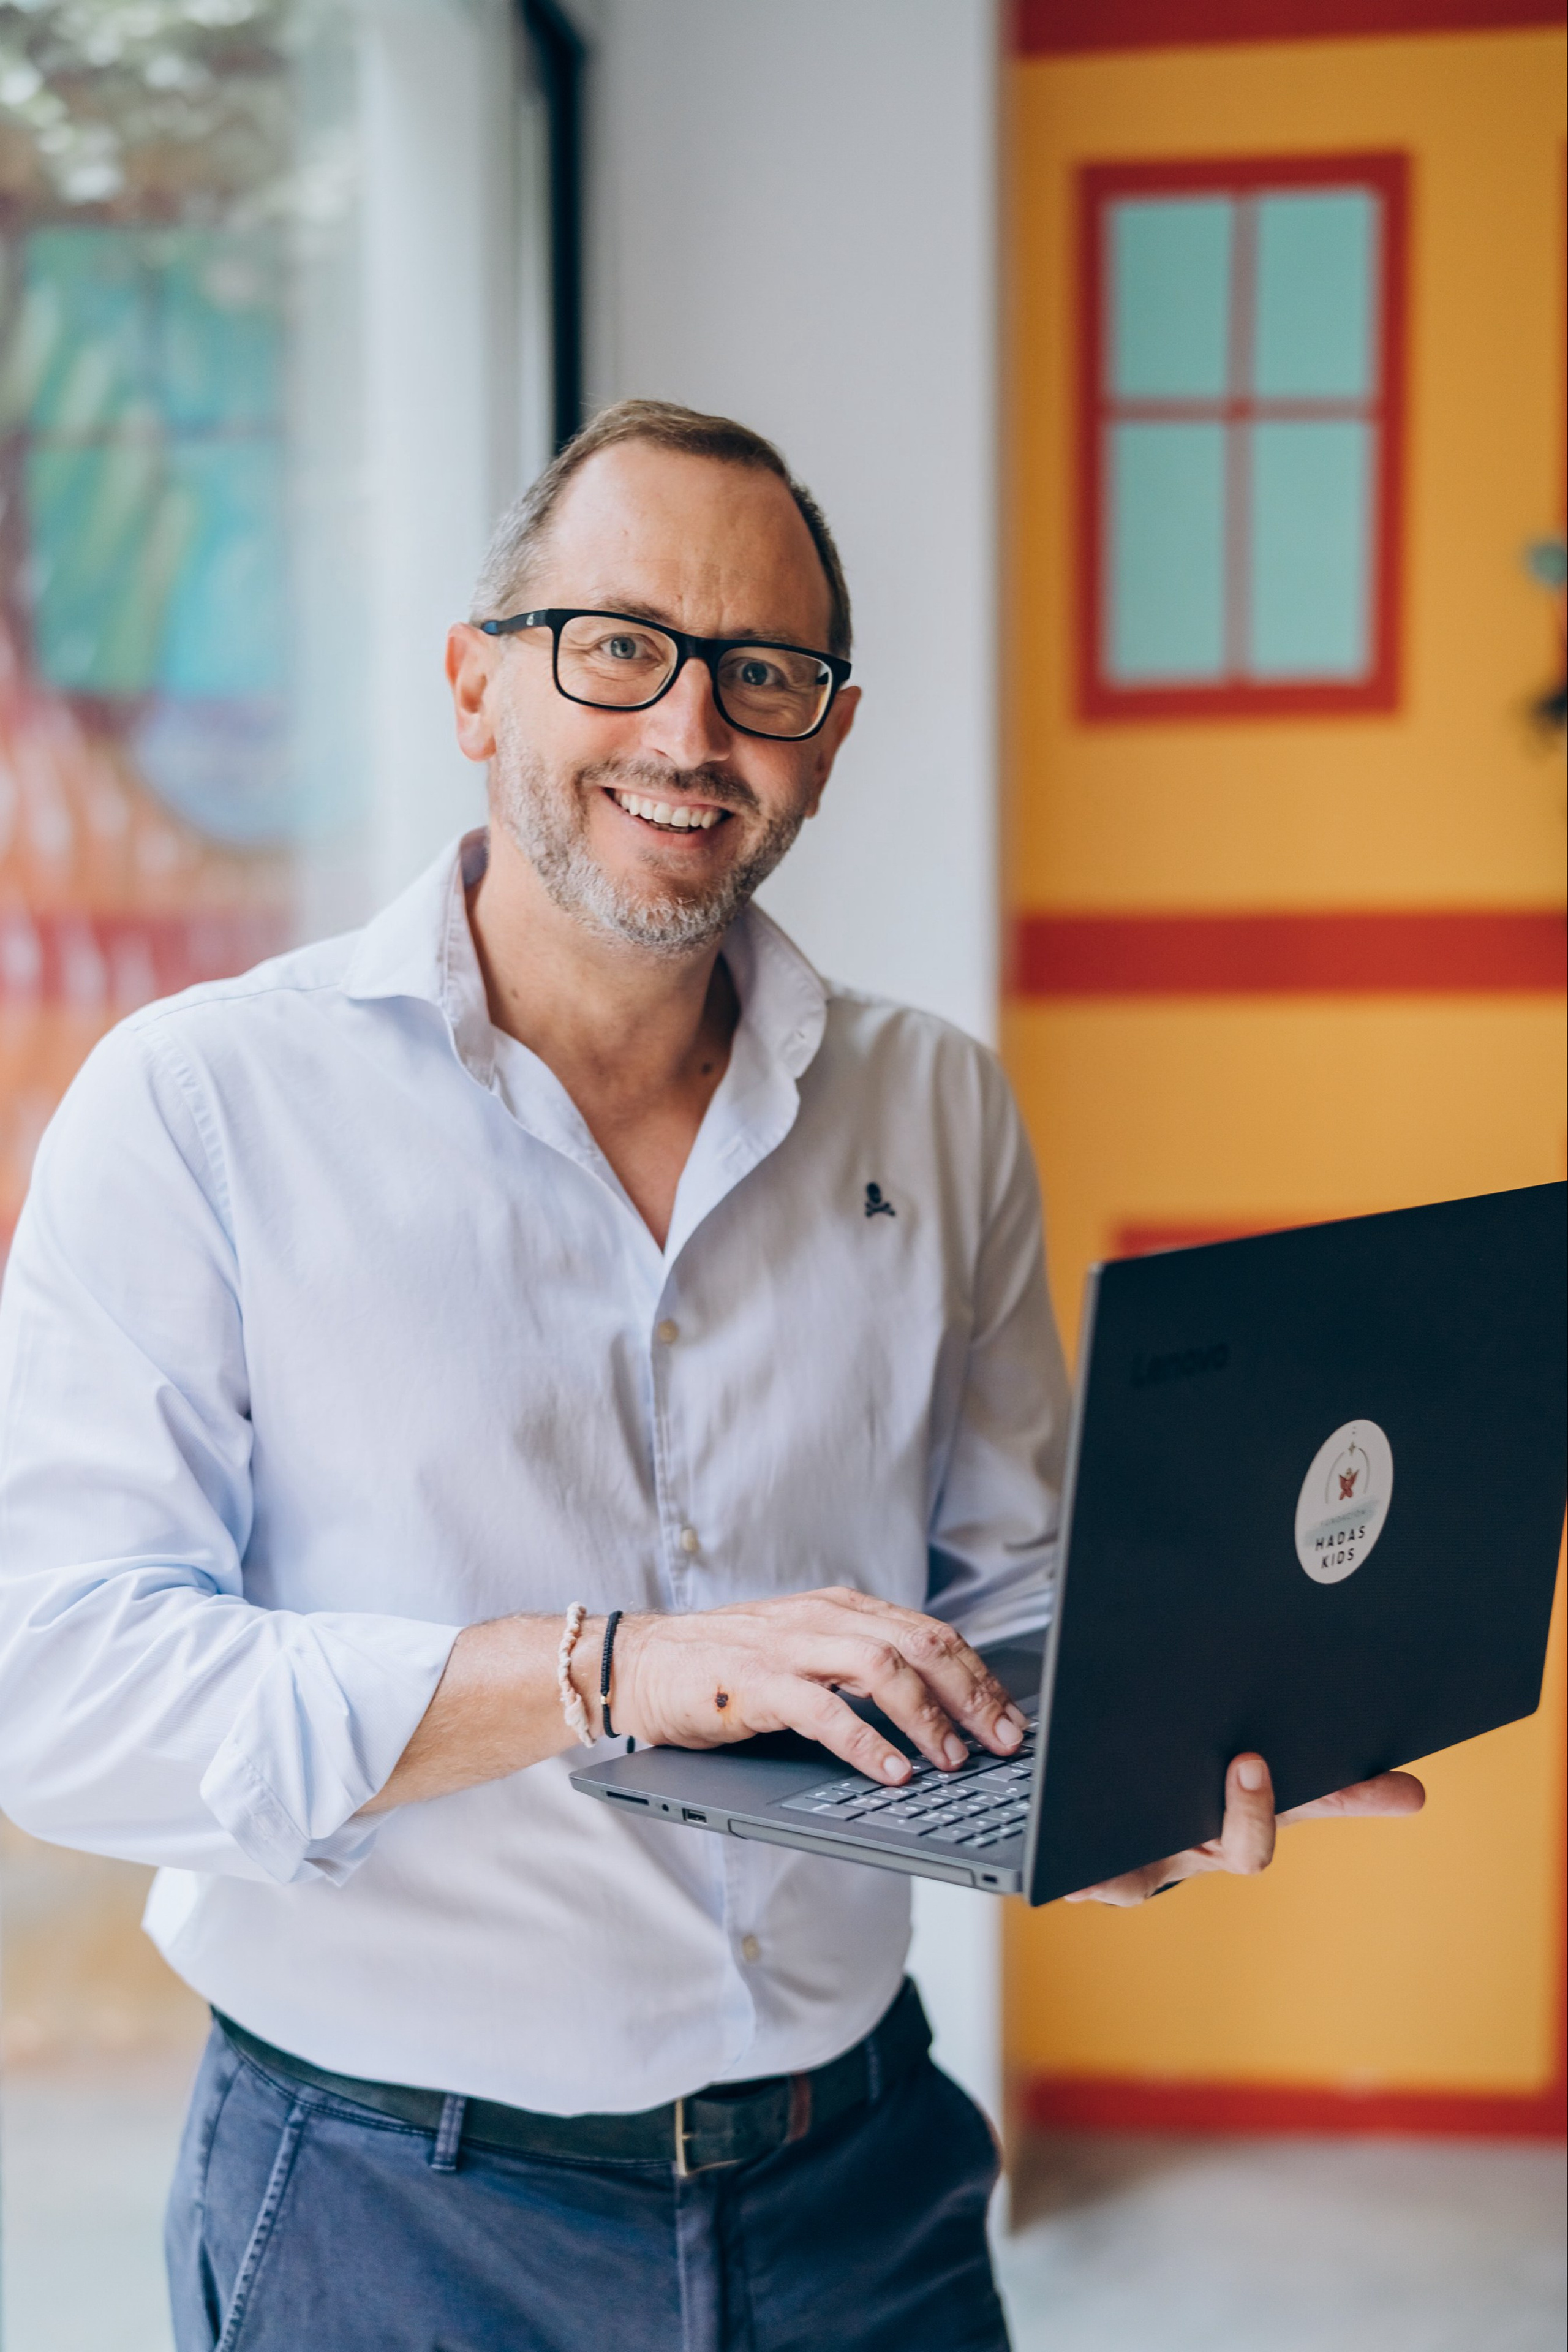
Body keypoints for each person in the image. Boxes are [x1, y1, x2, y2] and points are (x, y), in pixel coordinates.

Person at [0, 401, 1421, 2352]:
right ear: (476, 683)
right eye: (620, 648)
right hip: (384, 2217)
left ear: (827, 740)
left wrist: (1113, 1782)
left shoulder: (934, 1100)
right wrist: (605, 1669)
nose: (690, 732)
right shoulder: (200, 1107)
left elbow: (999, 1596)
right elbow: (59, 1693)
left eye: (764, 675)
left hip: (864, 2185)